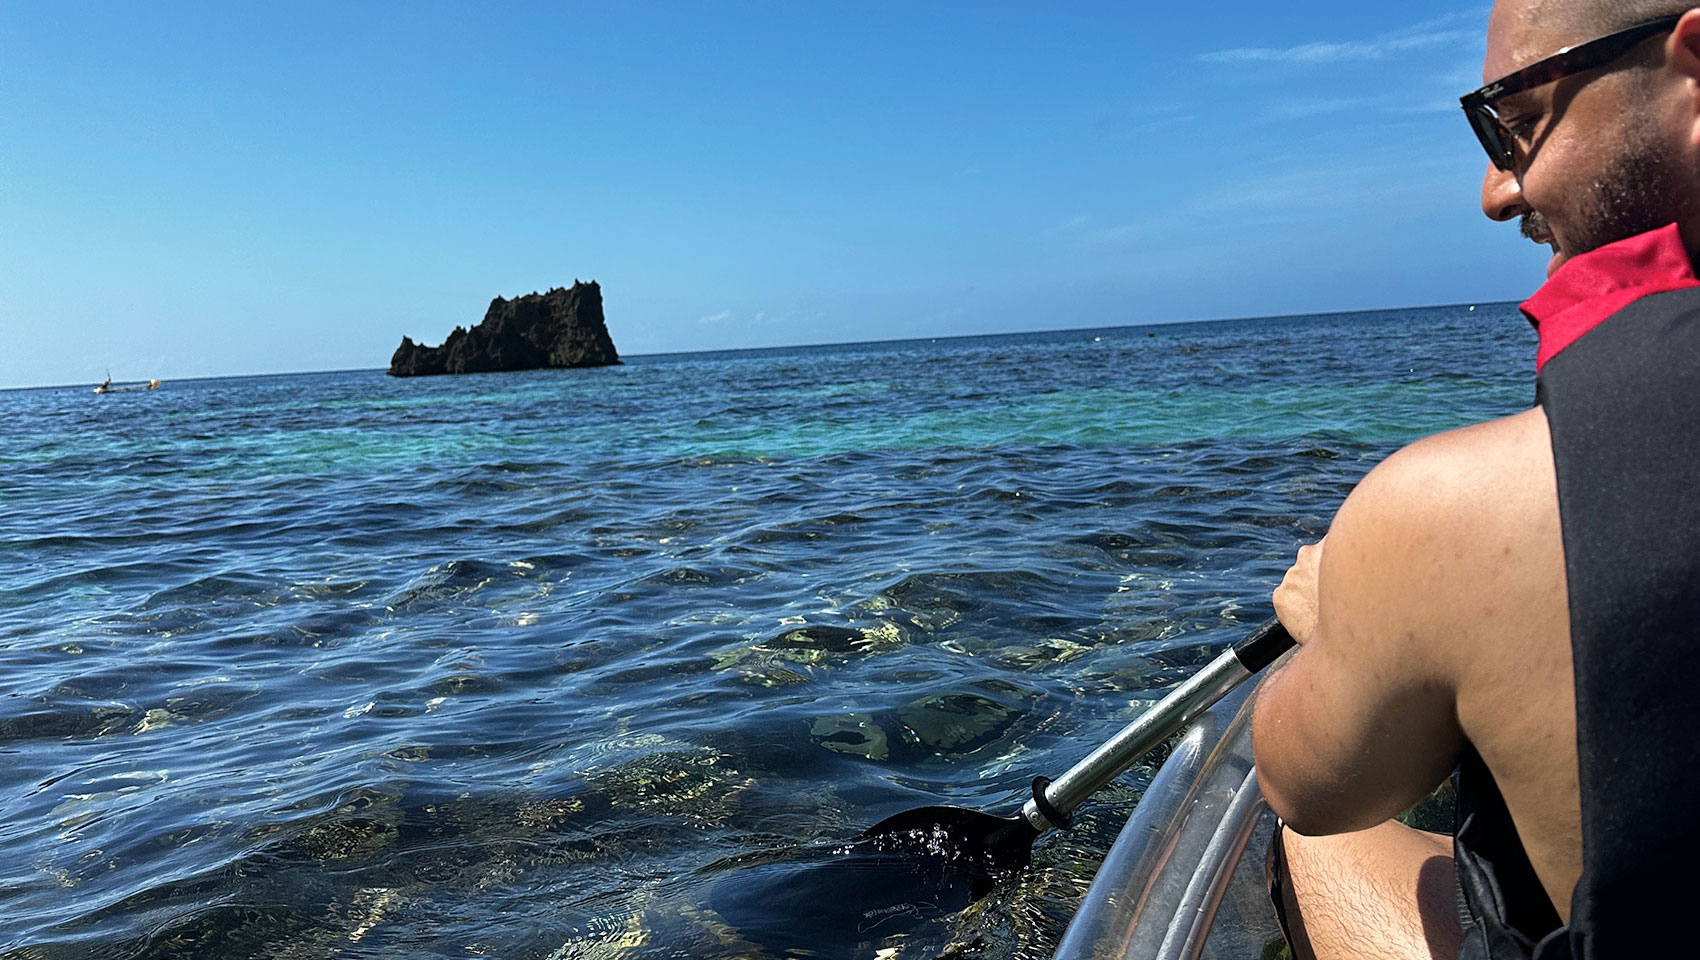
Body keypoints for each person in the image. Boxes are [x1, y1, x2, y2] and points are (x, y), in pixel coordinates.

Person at [1251, 2, 1700, 958]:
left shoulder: (1453, 510)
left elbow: (1308, 786)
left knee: (1313, 840)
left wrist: (1353, 616)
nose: (1497, 190)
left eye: (1517, 121)